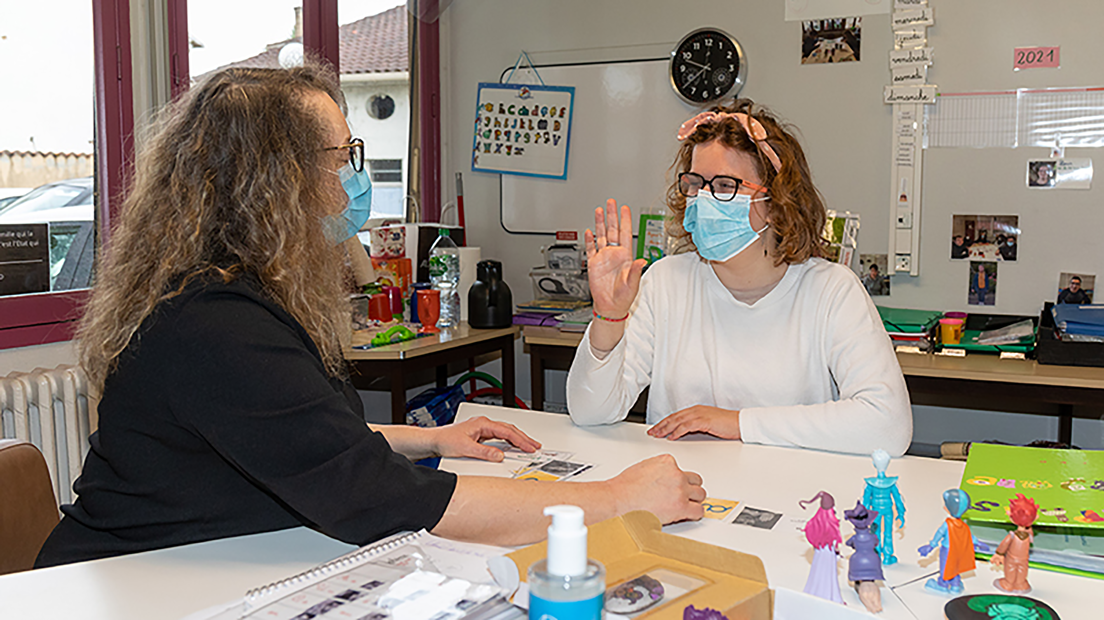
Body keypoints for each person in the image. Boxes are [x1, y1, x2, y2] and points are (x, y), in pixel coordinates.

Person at [34, 64, 705, 568]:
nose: (355, 178)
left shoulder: (237, 294)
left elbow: (308, 440)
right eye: (341, 158)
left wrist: (431, 440)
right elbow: (380, 497)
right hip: (130, 583)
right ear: (276, 179)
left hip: (203, 560)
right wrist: (616, 500)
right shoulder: (215, 324)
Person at [565, 100, 912, 457]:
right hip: (679, 485)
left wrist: (738, 423)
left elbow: (888, 425)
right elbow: (590, 413)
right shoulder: (664, 282)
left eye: (725, 185)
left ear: (776, 202)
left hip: (790, 486)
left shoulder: (831, 290)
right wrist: (609, 319)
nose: (703, 199)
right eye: (695, 184)